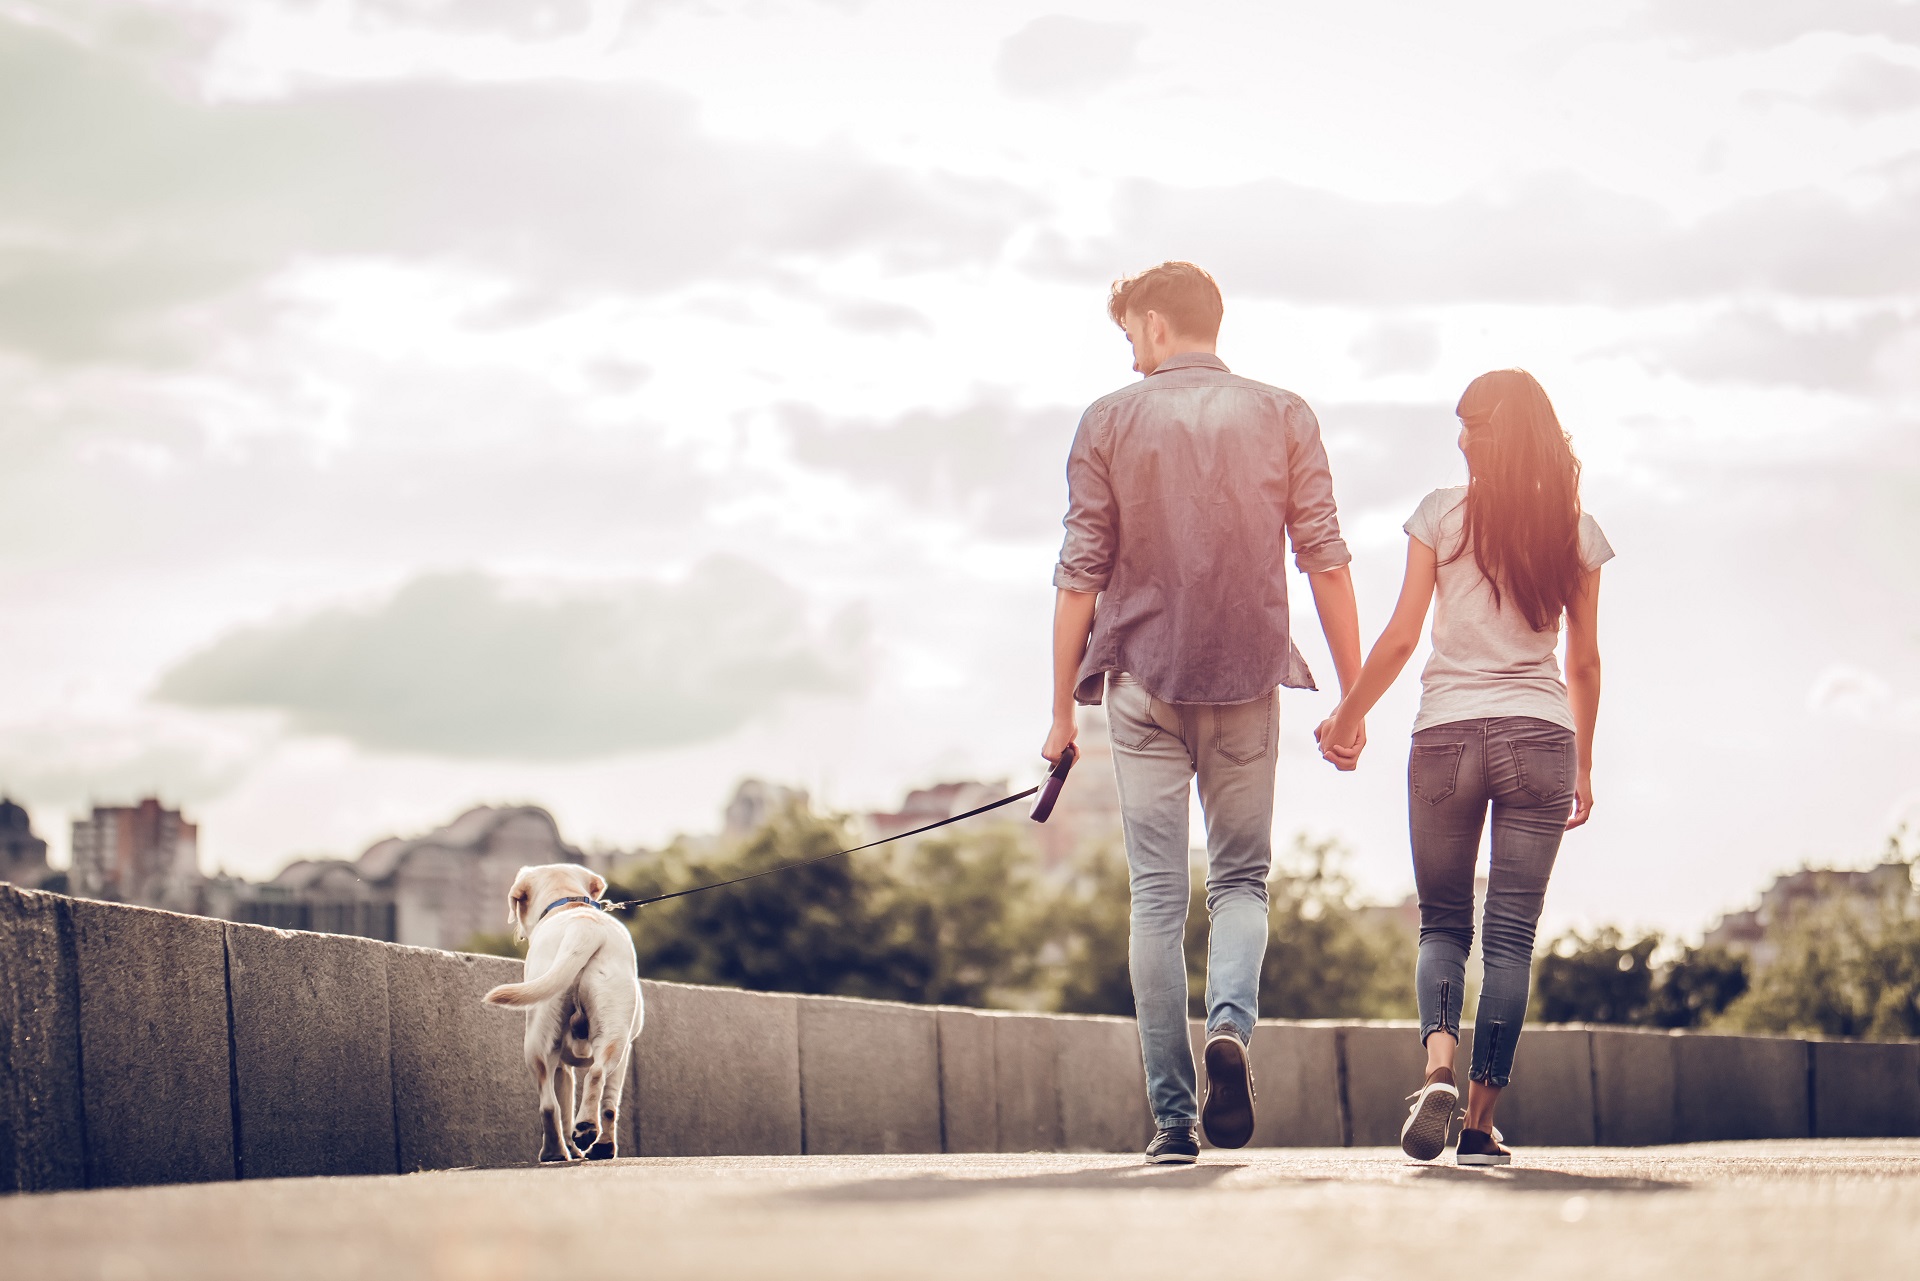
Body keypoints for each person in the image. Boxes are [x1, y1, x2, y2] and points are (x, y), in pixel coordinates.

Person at [1044, 261, 1363, 1165]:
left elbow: (1080, 574)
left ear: (1152, 322)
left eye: (1129, 335)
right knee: (1240, 881)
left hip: (1140, 684)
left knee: (1155, 897)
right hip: (1247, 677)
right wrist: (1351, 690)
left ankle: (1174, 1121)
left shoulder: (1107, 419)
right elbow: (1325, 558)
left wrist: (1060, 710)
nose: (1132, 355)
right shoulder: (1284, 413)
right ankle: (1230, 1027)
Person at [1315, 369, 1611, 1167]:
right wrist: (1582, 759)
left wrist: (1349, 715)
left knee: (1443, 922)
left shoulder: (1441, 514)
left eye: (1472, 423)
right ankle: (1478, 1125)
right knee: (1511, 934)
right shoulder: (1576, 532)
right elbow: (1582, 661)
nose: (1461, 437)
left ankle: (1436, 1071)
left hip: (1445, 734)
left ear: (1495, 433)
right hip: (1542, 733)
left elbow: (1405, 635)